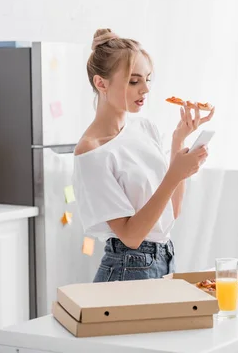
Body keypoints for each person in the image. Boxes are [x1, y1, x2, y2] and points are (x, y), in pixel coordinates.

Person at [72, 28, 214, 282]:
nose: (145, 90)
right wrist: (174, 175)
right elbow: (131, 236)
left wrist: (178, 140)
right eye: (134, 81)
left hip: (165, 259)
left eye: (148, 79)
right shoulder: (92, 151)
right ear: (100, 83)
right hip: (128, 268)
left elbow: (173, 210)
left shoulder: (145, 128)